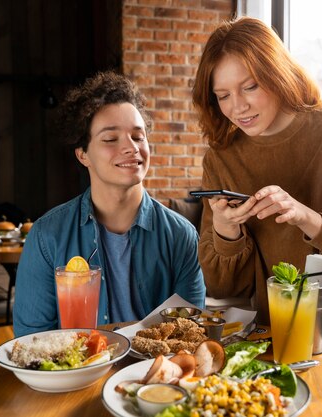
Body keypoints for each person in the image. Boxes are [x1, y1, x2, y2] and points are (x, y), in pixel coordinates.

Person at [192, 17, 322, 389]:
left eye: (250, 87)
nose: (237, 107)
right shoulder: (221, 159)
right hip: (279, 332)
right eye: (223, 96)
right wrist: (225, 232)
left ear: (277, 74)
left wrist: (309, 220)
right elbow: (223, 288)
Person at [14, 71, 205, 336]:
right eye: (110, 139)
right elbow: (31, 341)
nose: (131, 148)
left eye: (138, 137)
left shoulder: (181, 236)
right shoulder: (47, 237)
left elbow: (190, 335)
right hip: (78, 376)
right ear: (83, 155)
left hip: (155, 375)